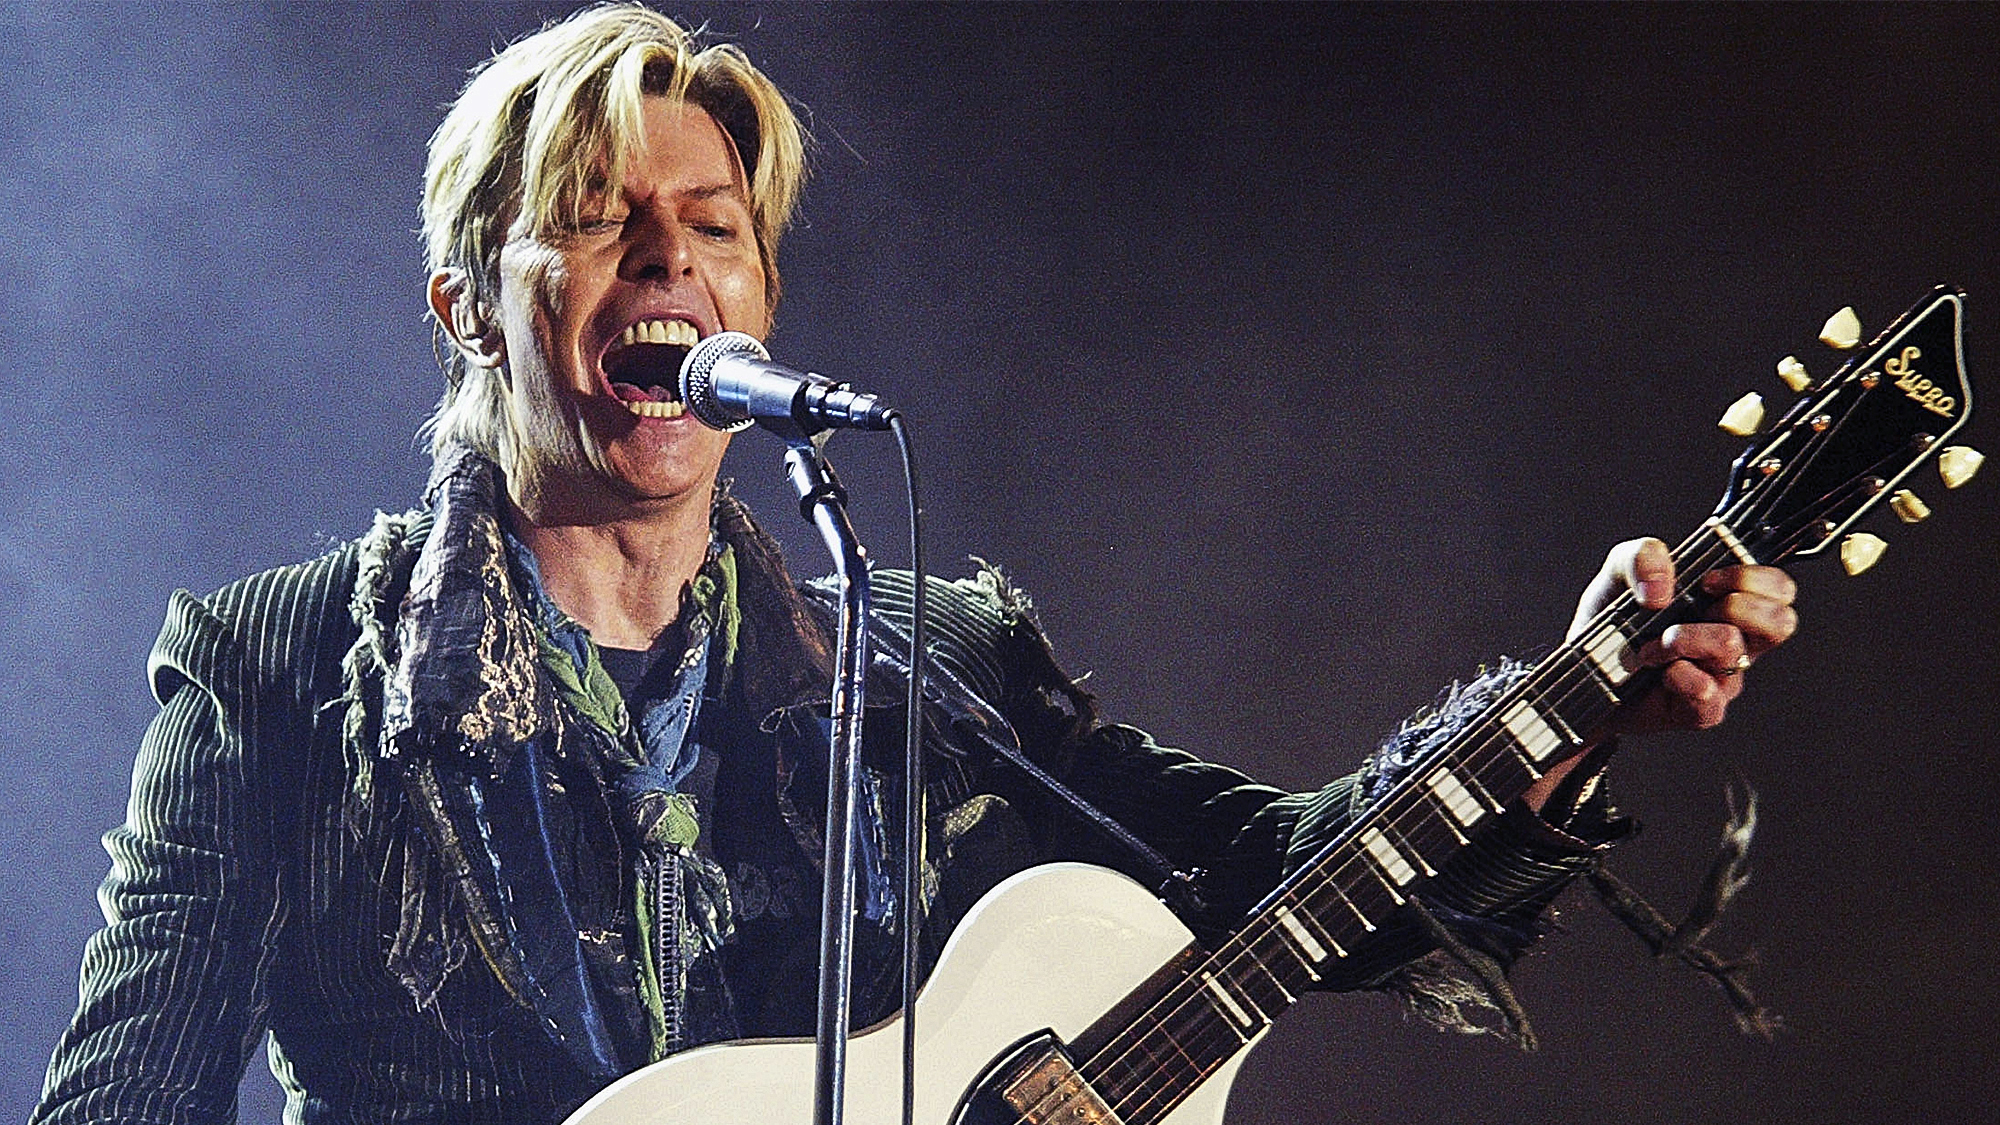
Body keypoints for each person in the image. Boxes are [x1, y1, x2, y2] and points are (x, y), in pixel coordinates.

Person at [32, 5, 1798, 1123]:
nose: (668, 261)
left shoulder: (922, 661)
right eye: (594, 219)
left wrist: (1572, 703)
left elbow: (1282, 876)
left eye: (713, 226)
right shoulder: (285, 679)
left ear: (760, 299)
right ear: (466, 310)